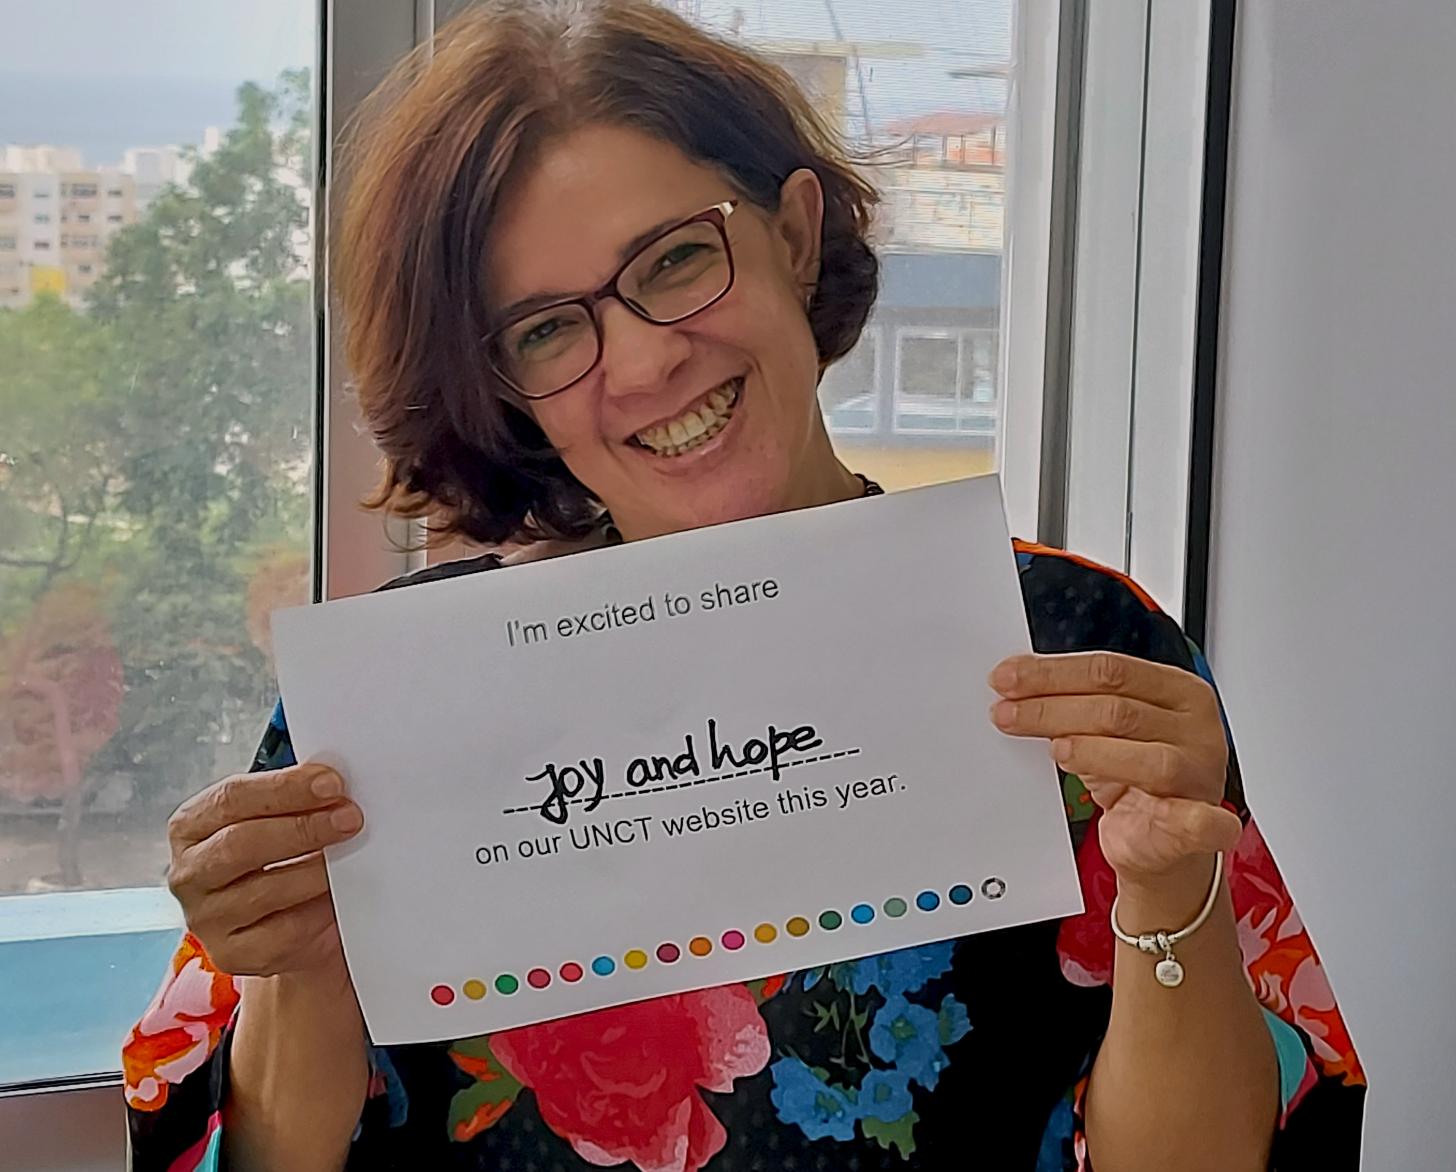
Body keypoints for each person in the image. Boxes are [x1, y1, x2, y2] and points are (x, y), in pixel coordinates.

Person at [123, 2, 1365, 1169]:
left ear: (791, 232)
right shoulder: (389, 705)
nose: (648, 357)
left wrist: (1171, 891)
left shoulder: (1083, 649)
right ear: (504, 386)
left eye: (672, 259)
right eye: (549, 328)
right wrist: (299, 969)